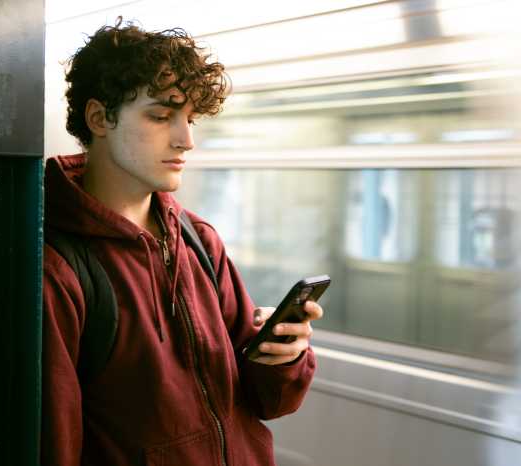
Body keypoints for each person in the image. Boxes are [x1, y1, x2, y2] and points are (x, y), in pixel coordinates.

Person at [42, 19, 323, 466]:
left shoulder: (198, 240)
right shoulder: (58, 267)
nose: (186, 140)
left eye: (189, 119)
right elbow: (54, 444)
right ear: (99, 118)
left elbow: (267, 401)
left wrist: (283, 358)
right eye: (160, 116)